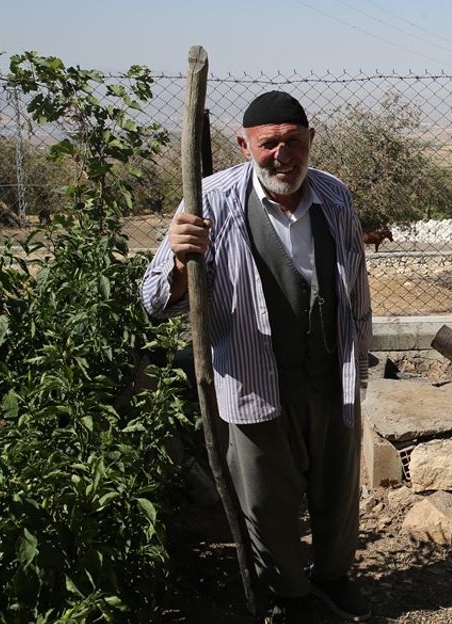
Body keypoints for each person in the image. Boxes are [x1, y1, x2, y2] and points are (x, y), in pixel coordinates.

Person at [141, 91, 372, 622]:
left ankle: (334, 578)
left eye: (293, 142)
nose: (282, 155)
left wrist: (359, 362)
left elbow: (356, 285)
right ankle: (290, 593)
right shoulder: (208, 200)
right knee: (266, 498)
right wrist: (179, 264)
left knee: (338, 489)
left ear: (311, 141)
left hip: (329, 372)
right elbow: (154, 300)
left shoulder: (334, 197)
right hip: (251, 376)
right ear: (244, 145)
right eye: (269, 144)